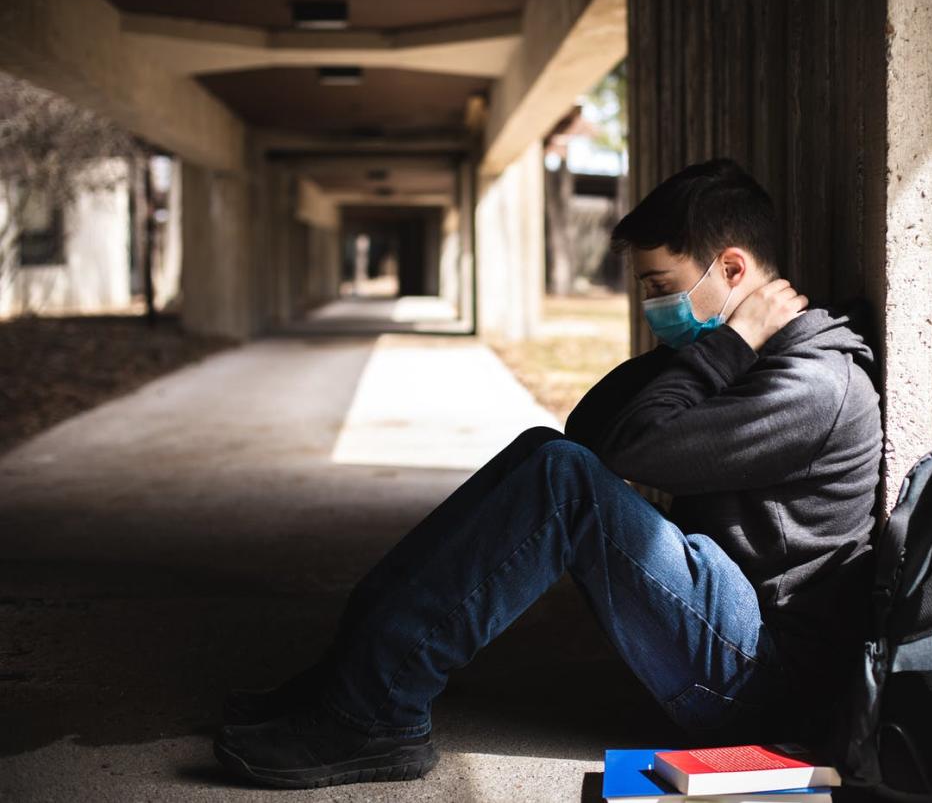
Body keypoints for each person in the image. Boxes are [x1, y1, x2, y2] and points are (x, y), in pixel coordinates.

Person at [212, 158, 883, 789]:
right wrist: (721, 345)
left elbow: (629, 446)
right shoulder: (751, 357)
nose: (653, 309)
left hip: (758, 678)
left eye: (660, 289)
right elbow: (590, 422)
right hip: (727, 622)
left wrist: (727, 345)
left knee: (562, 480)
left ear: (731, 269)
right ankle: (355, 673)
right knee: (543, 450)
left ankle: (371, 715)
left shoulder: (809, 385)